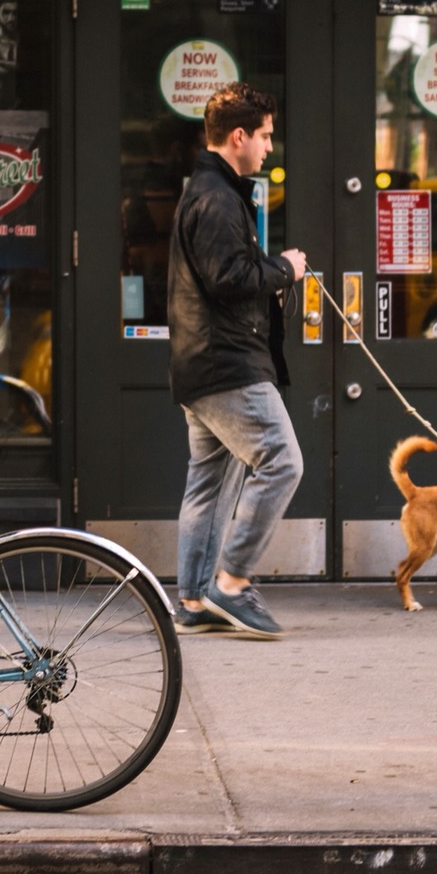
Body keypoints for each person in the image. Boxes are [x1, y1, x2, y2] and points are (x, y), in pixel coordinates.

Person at [168, 82, 307, 639]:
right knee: (282, 461)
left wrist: (270, 269)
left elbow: (221, 274)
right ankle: (230, 585)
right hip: (226, 364)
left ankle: (194, 601)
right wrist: (285, 270)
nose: (271, 146)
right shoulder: (217, 197)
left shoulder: (212, 190)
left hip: (200, 363)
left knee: (209, 483)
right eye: (267, 135)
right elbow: (229, 279)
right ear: (239, 136)